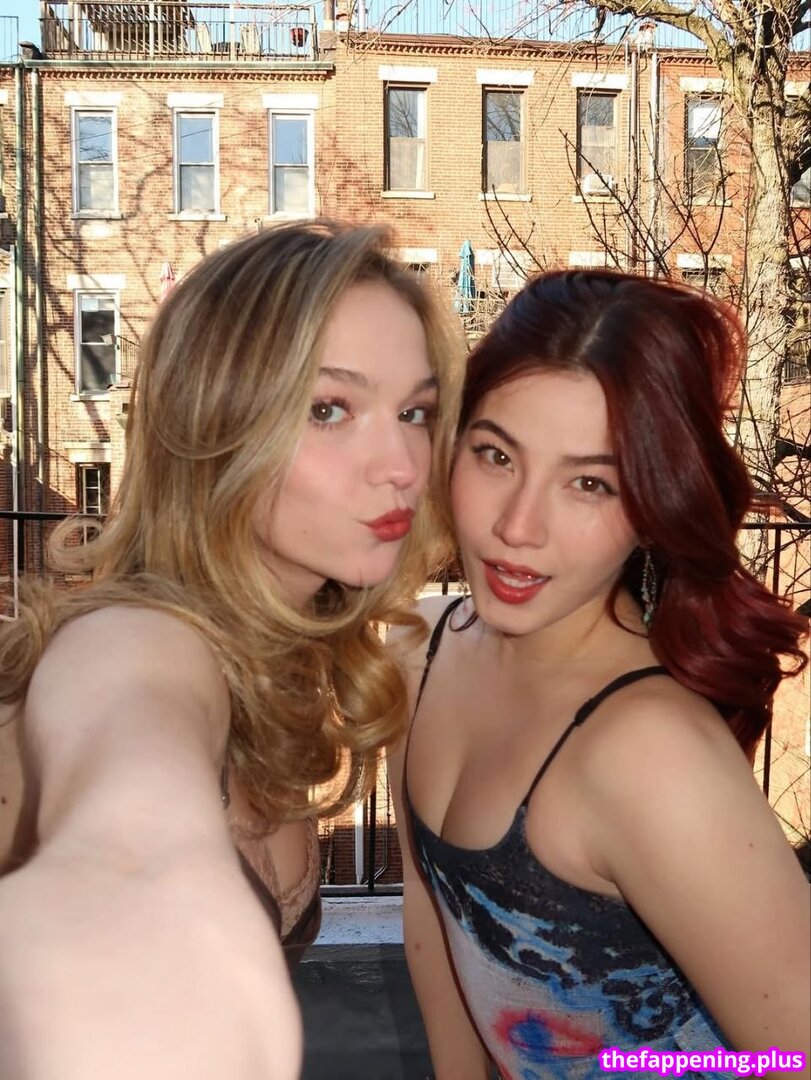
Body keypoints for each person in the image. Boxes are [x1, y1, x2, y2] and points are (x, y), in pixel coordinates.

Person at [0, 219, 462, 1079]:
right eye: (328, 410)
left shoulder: (283, 652)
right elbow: (130, 788)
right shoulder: (136, 638)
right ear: (214, 422)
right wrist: (129, 878)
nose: (402, 463)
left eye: (415, 413)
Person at [388, 269, 810, 1080]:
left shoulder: (649, 752)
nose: (517, 526)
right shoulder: (419, 650)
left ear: (652, 508)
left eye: (589, 483)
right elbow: (430, 920)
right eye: (495, 455)